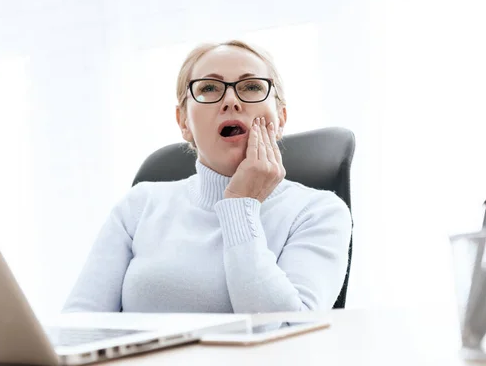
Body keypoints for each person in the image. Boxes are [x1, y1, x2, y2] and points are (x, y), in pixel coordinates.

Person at [63, 40, 352, 314]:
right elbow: (78, 325)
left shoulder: (319, 212)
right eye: (209, 88)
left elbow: (287, 333)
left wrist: (240, 205)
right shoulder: (138, 206)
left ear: (281, 119)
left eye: (251, 86)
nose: (230, 100)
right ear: (183, 122)